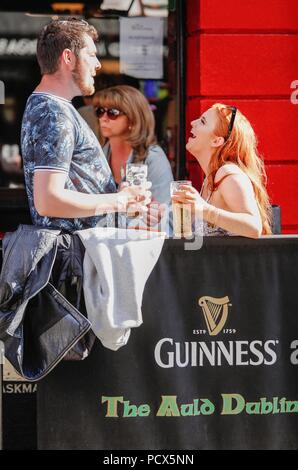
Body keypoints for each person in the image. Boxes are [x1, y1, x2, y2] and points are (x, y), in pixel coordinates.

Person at [21, 18, 150, 233]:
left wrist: (119, 196)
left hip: (81, 251)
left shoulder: (51, 106)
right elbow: (48, 200)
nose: (98, 64)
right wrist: (119, 200)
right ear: (68, 58)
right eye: (91, 55)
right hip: (76, 255)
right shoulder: (53, 112)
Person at [172, 103, 272, 238]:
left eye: (202, 121)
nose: (192, 122)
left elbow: (254, 227)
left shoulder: (228, 174)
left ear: (216, 141)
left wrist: (204, 209)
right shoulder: (210, 178)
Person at [92, 85, 173, 207]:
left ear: (133, 119)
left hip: (145, 225)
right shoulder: (96, 158)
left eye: (112, 113)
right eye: (100, 111)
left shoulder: (152, 157)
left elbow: (166, 213)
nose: (104, 118)